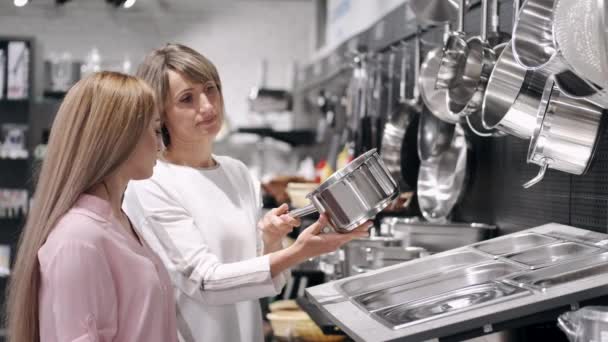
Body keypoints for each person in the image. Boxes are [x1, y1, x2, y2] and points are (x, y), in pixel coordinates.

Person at [123, 43, 371, 342]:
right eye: (187, 99)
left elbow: (264, 282)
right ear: (160, 114)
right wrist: (298, 252)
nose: (207, 106)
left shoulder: (236, 172)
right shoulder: (152, 182)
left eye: (211, 89)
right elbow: (205, 283)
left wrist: (271, 240)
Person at [6, 71, 178, 342]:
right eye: (156, 130)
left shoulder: (118, 222)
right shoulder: (79, 239)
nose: (161, 145)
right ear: (120, 136)